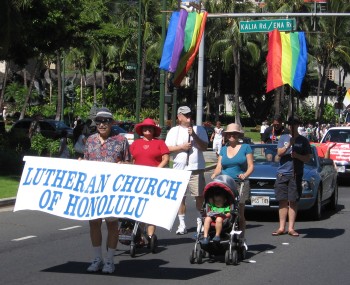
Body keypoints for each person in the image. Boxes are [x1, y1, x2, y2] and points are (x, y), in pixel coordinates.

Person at [84, 107, 131, 274]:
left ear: (111, 123)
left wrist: (123, 165)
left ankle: (110, 260)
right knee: (94, 223)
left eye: (105, 121)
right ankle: (97, 259)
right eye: (99, 121)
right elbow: (86, 161)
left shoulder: (120, 140)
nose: (102, 124)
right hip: (93, 189)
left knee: (112, 224)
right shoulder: (89, 140)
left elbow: (128, 163)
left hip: (112, 190)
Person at [165, 106, 208, 235]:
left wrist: (194, 135)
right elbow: (167, 148)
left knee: (199, 196)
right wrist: (181, 147)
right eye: (185, 115)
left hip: (195, 168)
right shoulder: (173, 131)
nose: (188, 117)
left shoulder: (199, 129)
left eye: (189, 114)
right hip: (179, 168)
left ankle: (200, 221)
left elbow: (205, 147)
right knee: (180, 197)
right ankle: (181, 224)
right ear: (179, 117)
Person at [211, 123, 254, 241]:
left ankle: (241, 237)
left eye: (234, 134)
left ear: (238, 135)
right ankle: (223, 231)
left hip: (240, 183)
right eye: (229, 134)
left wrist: (244, 175)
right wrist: (215, 174)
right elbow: (219, 165)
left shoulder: (246, 147)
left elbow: (251, 166)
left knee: (239, 211)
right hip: (225, 183)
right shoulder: (224, 149)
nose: (232, 136)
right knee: (223, 208)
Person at [130, 118, 170, 240]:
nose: (147, 130)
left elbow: (166, 159)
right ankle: (141, 235)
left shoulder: (160, 143)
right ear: (141, 130)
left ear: (154, 130)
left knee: (151, 208)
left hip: (154, 180)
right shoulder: (135, 143)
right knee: (139, 208)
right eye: (145, 128)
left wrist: (157, 170)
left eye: (150, 128)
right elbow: (132, 160)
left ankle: (150, 235)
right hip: (138, 180)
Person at [272, 116, 312, 237]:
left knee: (293, 200)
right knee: (282, 201)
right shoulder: (283, 138)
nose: (292, 126)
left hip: (295, 173)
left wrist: (297, 156)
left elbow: (307, 158)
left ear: (298, 125)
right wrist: (289, 145)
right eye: (290, 124)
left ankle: (291, 228)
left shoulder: (303, 141)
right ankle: (281, 227)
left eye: (294, 124)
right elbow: (279, 153)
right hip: (283, 173)